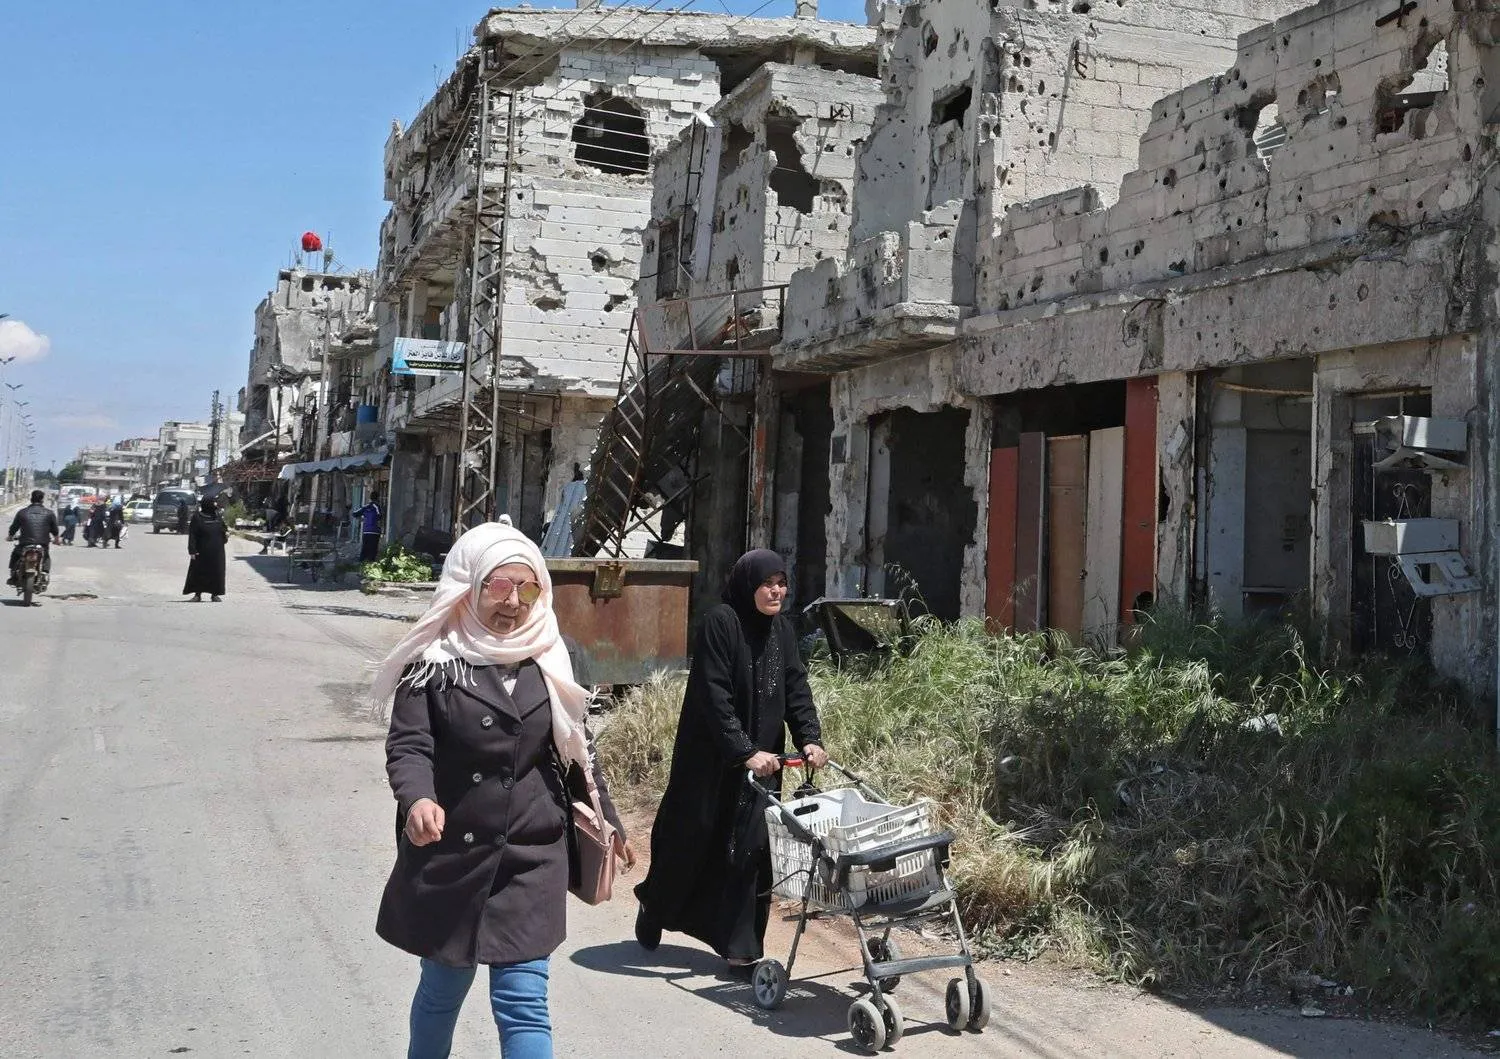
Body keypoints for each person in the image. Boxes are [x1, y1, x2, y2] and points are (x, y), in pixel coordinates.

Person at [372, 521, 634, 1059]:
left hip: (530, 853)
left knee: (524, 1000)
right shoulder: (433, 664)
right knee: (443, 989)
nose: (514, 602)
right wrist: (418, 798)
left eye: (528, 587)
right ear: (467, 586)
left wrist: (609, 819)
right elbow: (410, 745)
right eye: (498, 586)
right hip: (452, 853)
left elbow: (576, 752)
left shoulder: (552, 657)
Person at [633, 549, 827, 971]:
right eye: (767, 583)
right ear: (747, 585)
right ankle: (655, 905)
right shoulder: (721, 623)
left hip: (765, 765)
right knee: (693, 840)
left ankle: (742, 948)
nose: (776, 591)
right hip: (710, 759)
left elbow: (796, 688)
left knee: (753, 850)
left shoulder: (784, 631)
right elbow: (713, 694)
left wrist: (809, 738)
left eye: (781, 583)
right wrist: (743, 751)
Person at [7, 490, 61, 585]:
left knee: (16, 554)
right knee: (46, 556)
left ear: (31, 498)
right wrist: (56, 539)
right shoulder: (49, 513)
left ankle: (12, 575)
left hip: (24, 542)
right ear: (42, 500)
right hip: (42, 543)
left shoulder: (22, 512)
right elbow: (55, 530)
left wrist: (10, 536)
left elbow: (14, 527)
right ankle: (44, 573)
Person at [182, 498, 228, 603]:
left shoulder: (217, 516)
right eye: (212, 503)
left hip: (217, 551)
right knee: (198, 572)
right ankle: (197, 595)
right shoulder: (197, 517)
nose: (214, 505)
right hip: (201, 551)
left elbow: (223, 528)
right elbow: (192, 535)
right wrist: (192, 550)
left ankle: (215, 594)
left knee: (216, 572)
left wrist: (225, 535)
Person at [353, 494, 383, 563]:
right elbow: (380, 516)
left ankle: (361, 564)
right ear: (377, 499)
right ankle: (371, 564)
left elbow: (354, 514)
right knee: (373, 549)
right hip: (375, 531)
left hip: (366, 531)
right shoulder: (377, 506)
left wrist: (363, 519)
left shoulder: (365, 507)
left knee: (365, 549)